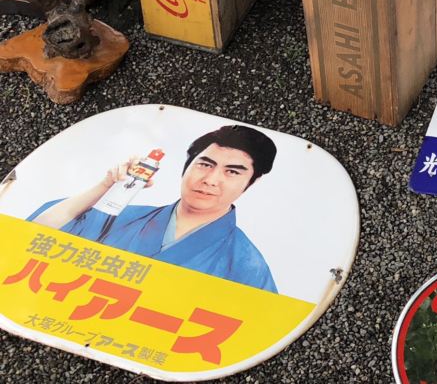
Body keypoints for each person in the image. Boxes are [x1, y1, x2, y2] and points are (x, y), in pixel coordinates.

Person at [29, 125, 279, 293]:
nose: (211, 180)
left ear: (252, 181)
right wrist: (106, 186)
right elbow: (32, 235)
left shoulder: (247, 264)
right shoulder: (123, 216)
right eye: (205, 164)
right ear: (187, 165)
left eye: (232, 172)